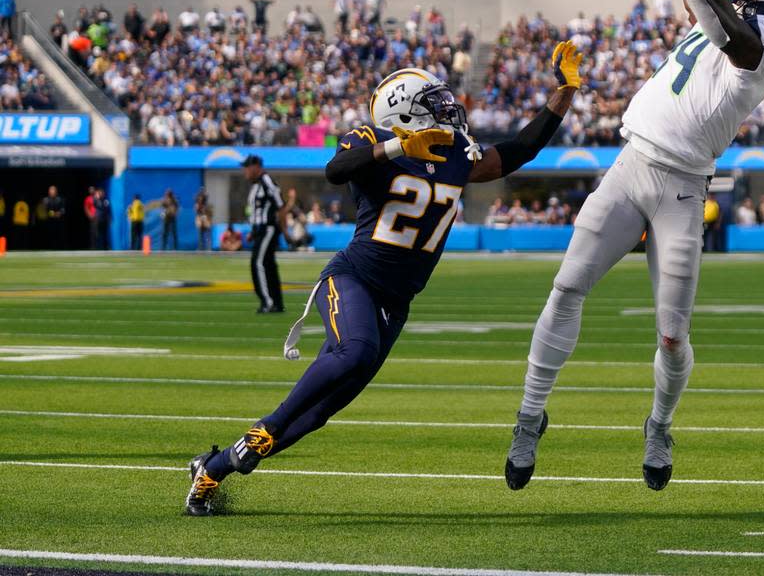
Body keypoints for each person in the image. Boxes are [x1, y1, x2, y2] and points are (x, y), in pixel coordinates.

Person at [504, 0, 764, 492]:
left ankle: (660, 422)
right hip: (630, 167)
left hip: (680, 189)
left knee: (672, 335)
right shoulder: (723, 12)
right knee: (566, 289)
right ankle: (530, 413)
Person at [184, 47, 583, 516]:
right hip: (354, 277)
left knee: (321, 410)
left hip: (398, 299)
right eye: (433, 101)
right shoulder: (372, 139)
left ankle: (217, 465)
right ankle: (253, 439)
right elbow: (336, 170)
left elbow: (519, 151)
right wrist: (397, 147)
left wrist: (564, 93)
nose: (447, 108)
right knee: (356, 350)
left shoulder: (455, 151)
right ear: (404, 110)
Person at [242, 155, 287, 314]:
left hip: (268, 229)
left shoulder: (267, 181)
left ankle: (268, 301)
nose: (245, 171)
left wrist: (284, 231)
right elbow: (257, 212)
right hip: (260, 230)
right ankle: (276, 302)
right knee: (268, 265)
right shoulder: (256, 185)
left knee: (258, 263)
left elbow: (280, 206)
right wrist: (253, 231)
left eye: (247, 167)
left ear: (256, 166)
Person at [42, 185, 66, 249]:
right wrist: (51, 213)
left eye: (53, 190)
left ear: (56, 191)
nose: (52, 191)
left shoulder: (60, 199)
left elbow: (63, 210)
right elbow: (44, 211)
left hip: (58, 223)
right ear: (48, 192)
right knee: (49, 237)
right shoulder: (45, 200)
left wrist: (60, 213)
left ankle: (59, 249)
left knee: (59, 236)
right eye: (50, 190)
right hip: (48, 223)